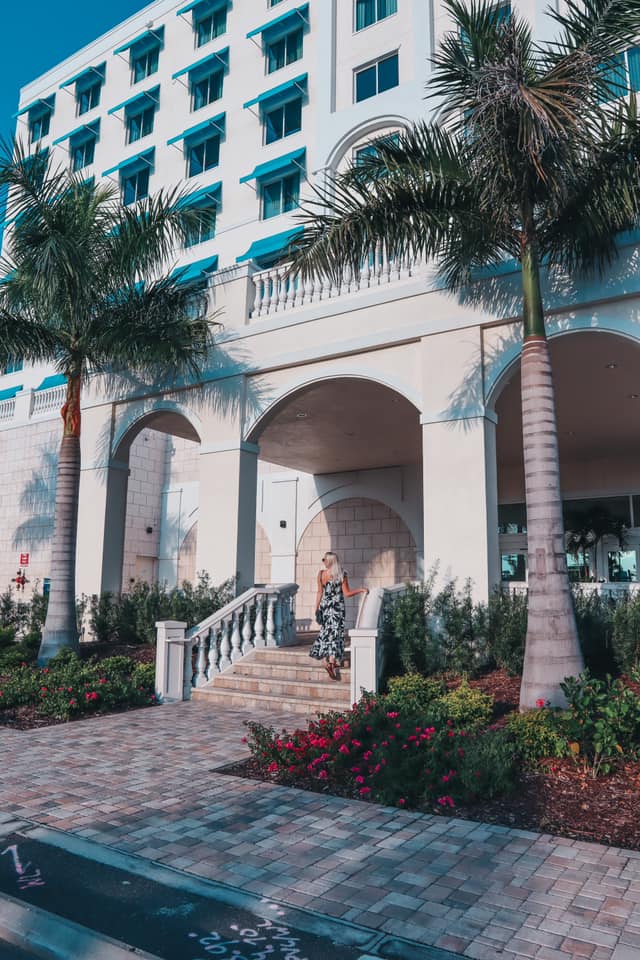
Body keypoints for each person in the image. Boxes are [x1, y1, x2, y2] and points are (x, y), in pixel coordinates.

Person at [310, 551, 368, 680]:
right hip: (337, 609)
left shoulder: (321, 575)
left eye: (324, 559)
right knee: (336, 633)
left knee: (327, 632)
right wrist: (361, 589)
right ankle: (332, 661)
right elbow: (347, 593)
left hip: (325, 608)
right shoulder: (342, 574)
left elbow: (319, 592)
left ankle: (330, 660)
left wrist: (316, 608)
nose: (323, 562)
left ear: (329, 561)